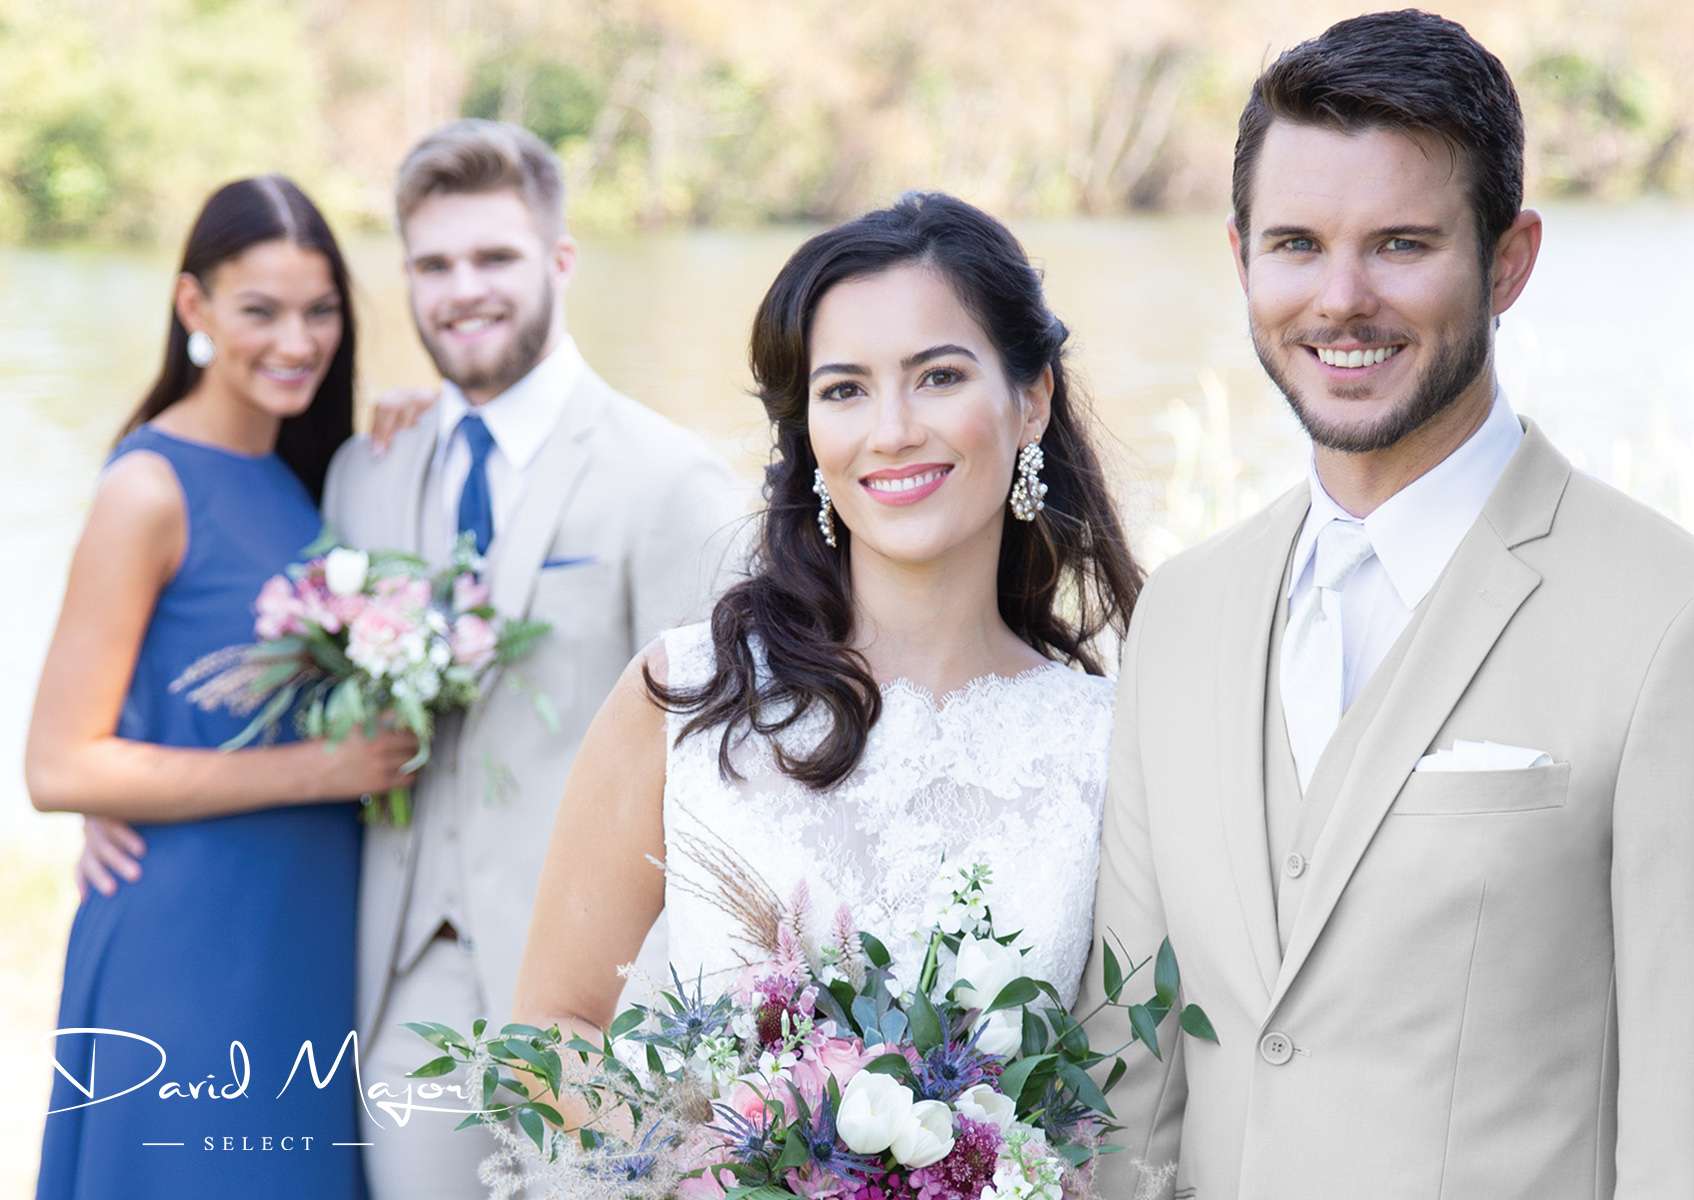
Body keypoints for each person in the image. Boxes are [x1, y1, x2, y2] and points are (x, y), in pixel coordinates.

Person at [1086, 11, 1694, 1198]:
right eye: (1298, 244)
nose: (1342, 298)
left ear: (1509, 260)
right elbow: (1127, 1091)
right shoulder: (1184, 614)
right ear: (1242, 257)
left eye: (1401, 245)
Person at [512, 191, 1139, 1082]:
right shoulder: (687, 697)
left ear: (1031, 399)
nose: (892, 432)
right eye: (845, 390)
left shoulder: (1110, 741)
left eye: (939, 377)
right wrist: (703, 1151)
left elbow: (1138, 1093)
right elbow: (547, 1030)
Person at [325, 119, 741, 1198]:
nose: (463, 290)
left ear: (560, 259)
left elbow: (724, 777)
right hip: (405, 987)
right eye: (433, 265)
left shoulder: (668, 481)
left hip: (604, 1010)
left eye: (494, 257)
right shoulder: (367, 473)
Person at [29, 175, 416, 1199]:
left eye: (321, 311)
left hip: (309, 935)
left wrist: (423, 428)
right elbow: (60, 765)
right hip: (191, 946)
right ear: (193, 305)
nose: (298, 341)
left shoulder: (306, 475)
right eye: (261, 311)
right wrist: (323, 771)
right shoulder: (147, 488)